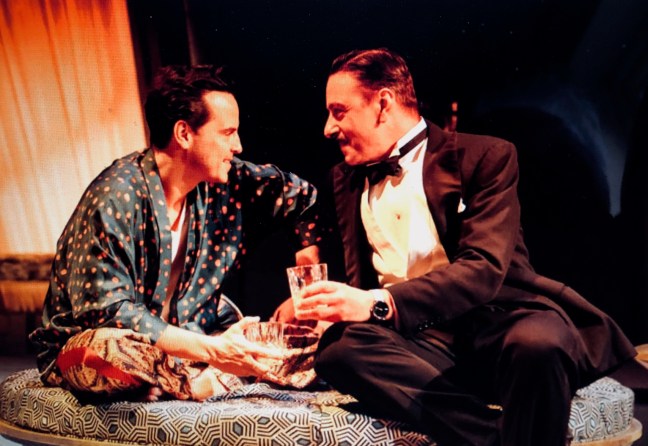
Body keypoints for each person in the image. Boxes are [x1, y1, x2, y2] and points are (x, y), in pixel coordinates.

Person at [278, 48, 636, 446]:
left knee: (540, 343)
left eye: (339, 111)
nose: (328, 128)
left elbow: (483, 267)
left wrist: (378, 303)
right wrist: (316, 299)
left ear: (383, 103)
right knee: (339, 350)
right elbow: (349, 263)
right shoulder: (345, 179)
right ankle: (496, 438)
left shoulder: (484, 156)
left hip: (500, 322)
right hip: (417, 344)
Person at [29, 65, 322, 401]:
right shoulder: (116, 195)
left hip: (195, 335)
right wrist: (213, 351)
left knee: (308, 341)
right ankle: (200, 381)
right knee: (108, 351)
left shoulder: (226, 181)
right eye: (227, 133)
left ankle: (196, 376)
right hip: (103, 346)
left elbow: (301, 198)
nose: (238, 146)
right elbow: (109, 313)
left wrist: (307, 292)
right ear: (184, 133)